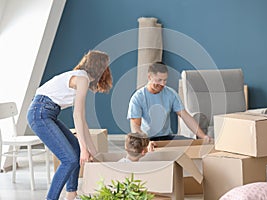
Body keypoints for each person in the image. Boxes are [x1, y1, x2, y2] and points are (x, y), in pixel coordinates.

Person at [27, 50, 113, 200]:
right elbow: (77, 116)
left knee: (76, 149)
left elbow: (83, 122)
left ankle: (71, 195)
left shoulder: (81, 77)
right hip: (40, 113)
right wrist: (85, 150)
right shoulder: (82, 79)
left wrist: (93, 152)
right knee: (70, 159)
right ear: (100, 67)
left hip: (47, 112)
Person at [127, 62, 209, 149]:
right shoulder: (137, 98)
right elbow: (135, 128)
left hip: (166, 137)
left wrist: (203, 136)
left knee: (191, 144)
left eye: (165, 80)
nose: (163, 84)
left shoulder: (170, 94)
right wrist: (146, 143)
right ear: (149, 77)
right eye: (159, 80)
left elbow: (186, 116)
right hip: (147, 139)